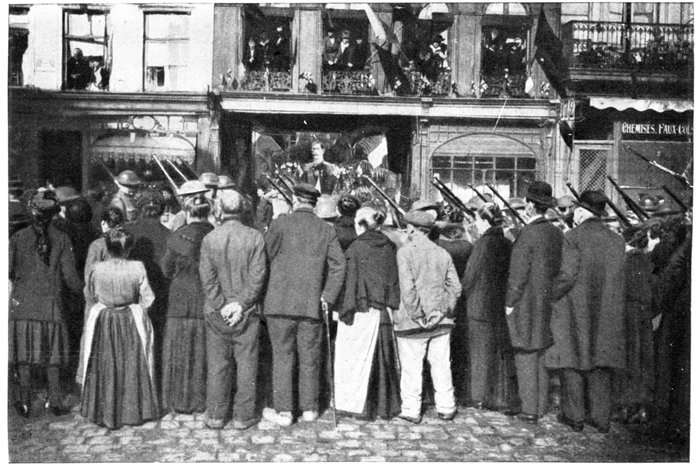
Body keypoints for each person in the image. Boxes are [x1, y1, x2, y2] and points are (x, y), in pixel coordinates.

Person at [262, 183, 346, 427]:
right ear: (314, 203)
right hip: (312, 305)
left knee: (282, 357)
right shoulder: (326, 229)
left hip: (279, 303)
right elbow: (339, 265)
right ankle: (310, 409)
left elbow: (264, 258)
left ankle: (285, 412)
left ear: (295, 200)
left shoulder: (279, 225)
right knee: (310, 358)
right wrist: (328, 295)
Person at [547, 190, 627, 433]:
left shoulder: (572, 237)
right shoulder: (617, 240)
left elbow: (567, 275)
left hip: (575, 308)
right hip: (606, 310)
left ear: (582, 211)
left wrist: (551, 294)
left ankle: (575, 416)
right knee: (601, 361)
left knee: (571, 359)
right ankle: (601, 418)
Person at [10, 190, 84, 417]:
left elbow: (8, 271)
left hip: (23, 303)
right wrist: (84, 292)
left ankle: (24, 401)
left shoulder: (17, 238)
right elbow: (71, 278)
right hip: (51, 304)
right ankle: (54, 401)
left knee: (23, 357)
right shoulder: (62, 239)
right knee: (53, 357)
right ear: (54, 214)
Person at [199, 189, 267, 429]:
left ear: (220, 210)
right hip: (246, 311)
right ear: (243, 208)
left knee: (218, 364)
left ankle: (216, 415)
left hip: (217, 311)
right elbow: (258, 276)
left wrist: (221, 304)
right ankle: (243, 416)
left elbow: (207, 278)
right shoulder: (255, 237)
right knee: (247, 363)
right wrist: (241, 304)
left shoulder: (210, 239)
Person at [81, 227, 159, 429]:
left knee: (106, 364)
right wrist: (137, 307)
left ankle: (106, 411)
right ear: (128, 248)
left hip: (105, 320)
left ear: (107, 247)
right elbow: (148, 298)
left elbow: (89, 294)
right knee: (131, 363)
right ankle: (131, 412)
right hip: (129, 320)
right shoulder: (137, 267)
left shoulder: (96, 269)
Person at [393, 210, 462, 424]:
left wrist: (418, 315)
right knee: (441, 365)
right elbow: (456, 287)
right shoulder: (443, 253)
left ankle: (411, 409)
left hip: (412, 322)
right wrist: (441, 311)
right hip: (441, 322)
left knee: (412, 368)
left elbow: (408, 289)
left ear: (411, 229)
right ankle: (447, 406)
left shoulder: (404, 253)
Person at [335, 206, 402, 420]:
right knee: (383, 362)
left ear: (361, 224)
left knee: (357, 360)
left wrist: (343, 310)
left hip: (361, 310)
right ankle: (383, 405)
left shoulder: (356, 248)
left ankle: (358, 406)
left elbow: (350, 282)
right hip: (383, 312)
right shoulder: (390, 245)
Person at [505, 181, 564, 424]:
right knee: (540, 353)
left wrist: (510, 302)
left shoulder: (527, 233)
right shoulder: (556, 232)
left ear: (530, 205)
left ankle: (529, 409)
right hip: (547, 302)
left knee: (525, 354)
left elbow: (518, 274)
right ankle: (539, 406)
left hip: (526, 303)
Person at [160, 184, 214, 415]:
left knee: (179, 350)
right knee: (203, 351)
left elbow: (166, 269)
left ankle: (178, 399)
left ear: (188, 212)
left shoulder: (176, 237)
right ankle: (201, 399)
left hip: (180, 297)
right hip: (206, 296)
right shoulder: (215, 235)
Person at [460, 203, 518, 414]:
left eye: (477, 219)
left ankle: (479, 396)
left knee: (478, 353)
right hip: (498, 304)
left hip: (479, 306)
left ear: (484, 221)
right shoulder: (506, 242)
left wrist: (461, 293)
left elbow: (470, 276)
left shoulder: (482, 244)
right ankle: (497, 396)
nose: (475, 224)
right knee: (497, 353)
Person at [76, 206, 125, 385]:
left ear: (104, 223)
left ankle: (87, 381)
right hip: (121, 299)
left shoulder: (97, 245)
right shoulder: (127, 241)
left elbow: (89, 276)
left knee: (92, 340)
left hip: (98, 301)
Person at [612, 225, 654, 424]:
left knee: (628, 360)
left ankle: (626, 406)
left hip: (627, 315)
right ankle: (642, 407)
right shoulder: (645, 260)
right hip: (644, 315)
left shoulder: (626, 260)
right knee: (644, 361)